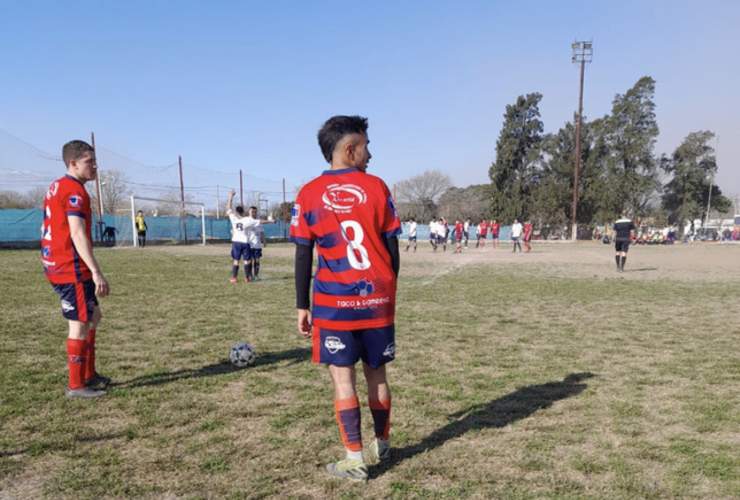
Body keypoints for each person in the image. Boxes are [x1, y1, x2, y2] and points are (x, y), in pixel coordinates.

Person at [291, 115, 401, 482]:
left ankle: (355, 458)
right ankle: (382, 444)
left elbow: (304, 254)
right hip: (377, 300)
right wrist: (388, 292)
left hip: (333, 303)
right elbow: (392, 248)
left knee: (343, 380)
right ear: (350, 149)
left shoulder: (307, 193)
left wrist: (302, 305)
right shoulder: (378, 187)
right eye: (367, 145)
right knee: (377, 375)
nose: (371, 153)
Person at [41, 140, 110, 398]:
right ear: (73, 163)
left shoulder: (55, 186)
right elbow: (78, 234)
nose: (95, 166)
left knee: (94, 317)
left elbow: (45, 225)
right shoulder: (74, 192)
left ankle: (88, 374)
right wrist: (96, 271)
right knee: (80, 325)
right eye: (89, 161)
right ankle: (76, 386)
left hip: (57, 263)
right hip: (71, 268)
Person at [226, 189, 259, 283]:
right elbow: (260, 221)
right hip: (245, 242)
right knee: (246, 261)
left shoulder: (234, 218)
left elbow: (228, 207)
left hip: (236, 242)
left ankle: (235, 277)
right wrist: (270, 221)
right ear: (243, 212)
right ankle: (246, 278)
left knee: (236, 260)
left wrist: (231, 196)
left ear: (236, 212)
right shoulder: (247, 220)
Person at [245, 206, 265, 281]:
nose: (254, 213)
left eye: (255, 212)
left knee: (257, 259)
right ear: (249, 212)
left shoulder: (259, 221)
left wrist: (264, 240)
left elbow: (261, 231)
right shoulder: (246, 220)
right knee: (249, 259)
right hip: (249, 243)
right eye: (252, 212)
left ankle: (256, 275)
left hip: (257, 243)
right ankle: (250, 275)